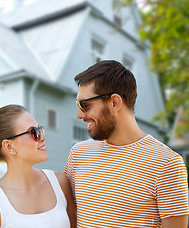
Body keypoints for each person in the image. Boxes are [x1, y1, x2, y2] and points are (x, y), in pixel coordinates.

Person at [65, 60, 189, 227]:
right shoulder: (78, 154)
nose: (79, 115)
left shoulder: (167, 164)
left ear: (114, 102)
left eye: (85, 105)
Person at [0, 104, 76, 228]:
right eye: (33, 132)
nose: (42, 137)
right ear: (9, 147)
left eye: (40, 129)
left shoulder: (60, 182)